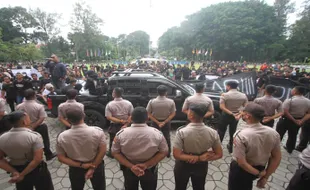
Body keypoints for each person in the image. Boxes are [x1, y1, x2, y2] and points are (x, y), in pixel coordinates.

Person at [112, 107, 168, 190]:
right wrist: (146, 164)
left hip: (129, 169)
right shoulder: (157, 134)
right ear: (147, 118)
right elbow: (164, 152)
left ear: (131, 118)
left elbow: (115, 153)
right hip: (149, 169)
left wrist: (132, 166)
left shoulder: (121, 134)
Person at [228, 103, 281, 190]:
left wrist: (258, 173)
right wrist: (265, 177)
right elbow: (276, 157)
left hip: (242, 171)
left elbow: (241, 162)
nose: (242, 114)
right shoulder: (273, 133)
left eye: (243, 113)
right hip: (260, 167)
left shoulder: (241, 135)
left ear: (248, 116)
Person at [173, 104, 223, 190]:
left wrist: (195, 157)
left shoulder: (182, 132)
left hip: (183, 164)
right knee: (199, 187)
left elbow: (176, 155)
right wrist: (200, 158)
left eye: (188, 111)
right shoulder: (213, 132)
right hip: (201, 165)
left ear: (191, 115)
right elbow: (219, 154)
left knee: (180, 187)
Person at [56, 106, 107, 190]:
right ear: (83, 115)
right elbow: (102, 151)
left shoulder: (62, 136)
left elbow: (61, 158)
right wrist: (92, 167)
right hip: (96, 165)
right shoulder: (98, 132)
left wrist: (81, 165)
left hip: (75, 168)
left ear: (68, 120)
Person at [0, 111, 54, 190]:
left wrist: (14, 172)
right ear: (24, 121)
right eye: (28, 117)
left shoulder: (2, 138)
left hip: (17, 168)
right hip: (37, 170)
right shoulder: (34, 137)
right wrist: (22, 174)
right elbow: (37, 159)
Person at [16, 89, 56, 161]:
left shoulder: (19, 106)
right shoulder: (39, 106)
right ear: (34, 96)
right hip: (39, 126)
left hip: (26, 127)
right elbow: (42, 118)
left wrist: (28, 127)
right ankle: (48, 154)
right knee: (44, 140)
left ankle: (34, 157)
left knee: (30, 142)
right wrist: (33, 127)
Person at [276, 86, 310, 154]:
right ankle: (290, 148)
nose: (292, 91)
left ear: (295, 91)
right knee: (293, 135)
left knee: (279, 134)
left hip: (286, 120)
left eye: (293, 90)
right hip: (298, 120)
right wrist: (301, 121)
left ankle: (275, 147)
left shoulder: (290, 100)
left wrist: (294, 120)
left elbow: (285, 112)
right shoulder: (308, 101)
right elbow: (308, 113)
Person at [218, 81, 248, 153]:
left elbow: (222, 107)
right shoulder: (243, 95)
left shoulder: (224, 95)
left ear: (228, 86)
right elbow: (246, 107)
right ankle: (231, 147)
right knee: (233, 131)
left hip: (225, 115)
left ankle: (218, 147)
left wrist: (231, 113)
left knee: (221, 131)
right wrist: (240, 114)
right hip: (236, 116)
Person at [146, 85, 176, 157]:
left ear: (157, 92)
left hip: (155, 122)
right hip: (166, 122)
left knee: (154, 137)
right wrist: (164, 122)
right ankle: (168, 153)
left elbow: (148, 113)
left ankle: (154, 152)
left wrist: (157, 122)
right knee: (167, 137)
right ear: (166, 92)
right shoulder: (171, 102)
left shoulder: (152, 101)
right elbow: (173, 114)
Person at [105, 87, 134, 158]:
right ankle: (125, 153)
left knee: (113, 140)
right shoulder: (128, 103)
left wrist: (120, 121)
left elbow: (108, 117)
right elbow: (131, 115)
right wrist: (126, 123)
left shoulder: (110, 104)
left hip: (114, 125)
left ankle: (112, 153)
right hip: (126, 125)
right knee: (126, 139)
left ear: (114, 94)